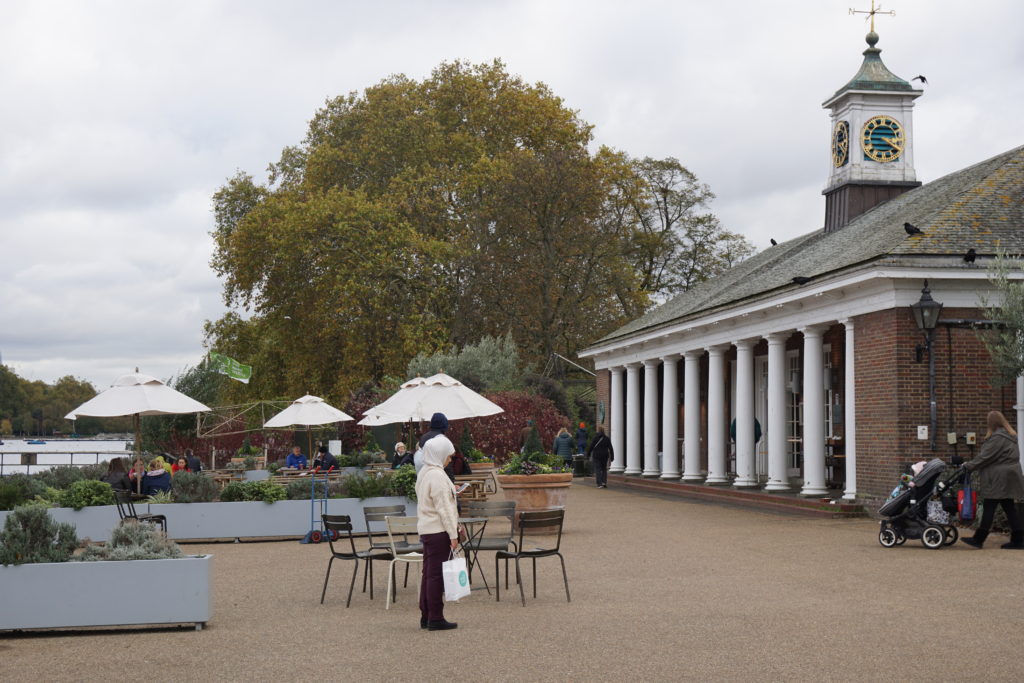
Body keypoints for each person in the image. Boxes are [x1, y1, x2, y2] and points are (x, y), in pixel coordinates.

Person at [415, 433, 463, 631]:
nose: (450, 459)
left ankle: (426, 614)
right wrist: (454, 534)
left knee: (429, 574)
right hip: (438, 531)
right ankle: (435, 616)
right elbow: (445, 509)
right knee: (436, 576)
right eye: (449, 456)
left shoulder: (426, 471)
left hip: (427, 529)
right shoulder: (437, 475)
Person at [957, 410, 1024, 549]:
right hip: (1009, 475)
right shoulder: (1010, 435)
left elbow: (985, 457)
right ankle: (1019, 539)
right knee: (1009, 507)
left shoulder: (997, 438)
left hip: (998, 477)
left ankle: (979, 539)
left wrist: (969, 466)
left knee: (989, 505)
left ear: (991, 423)